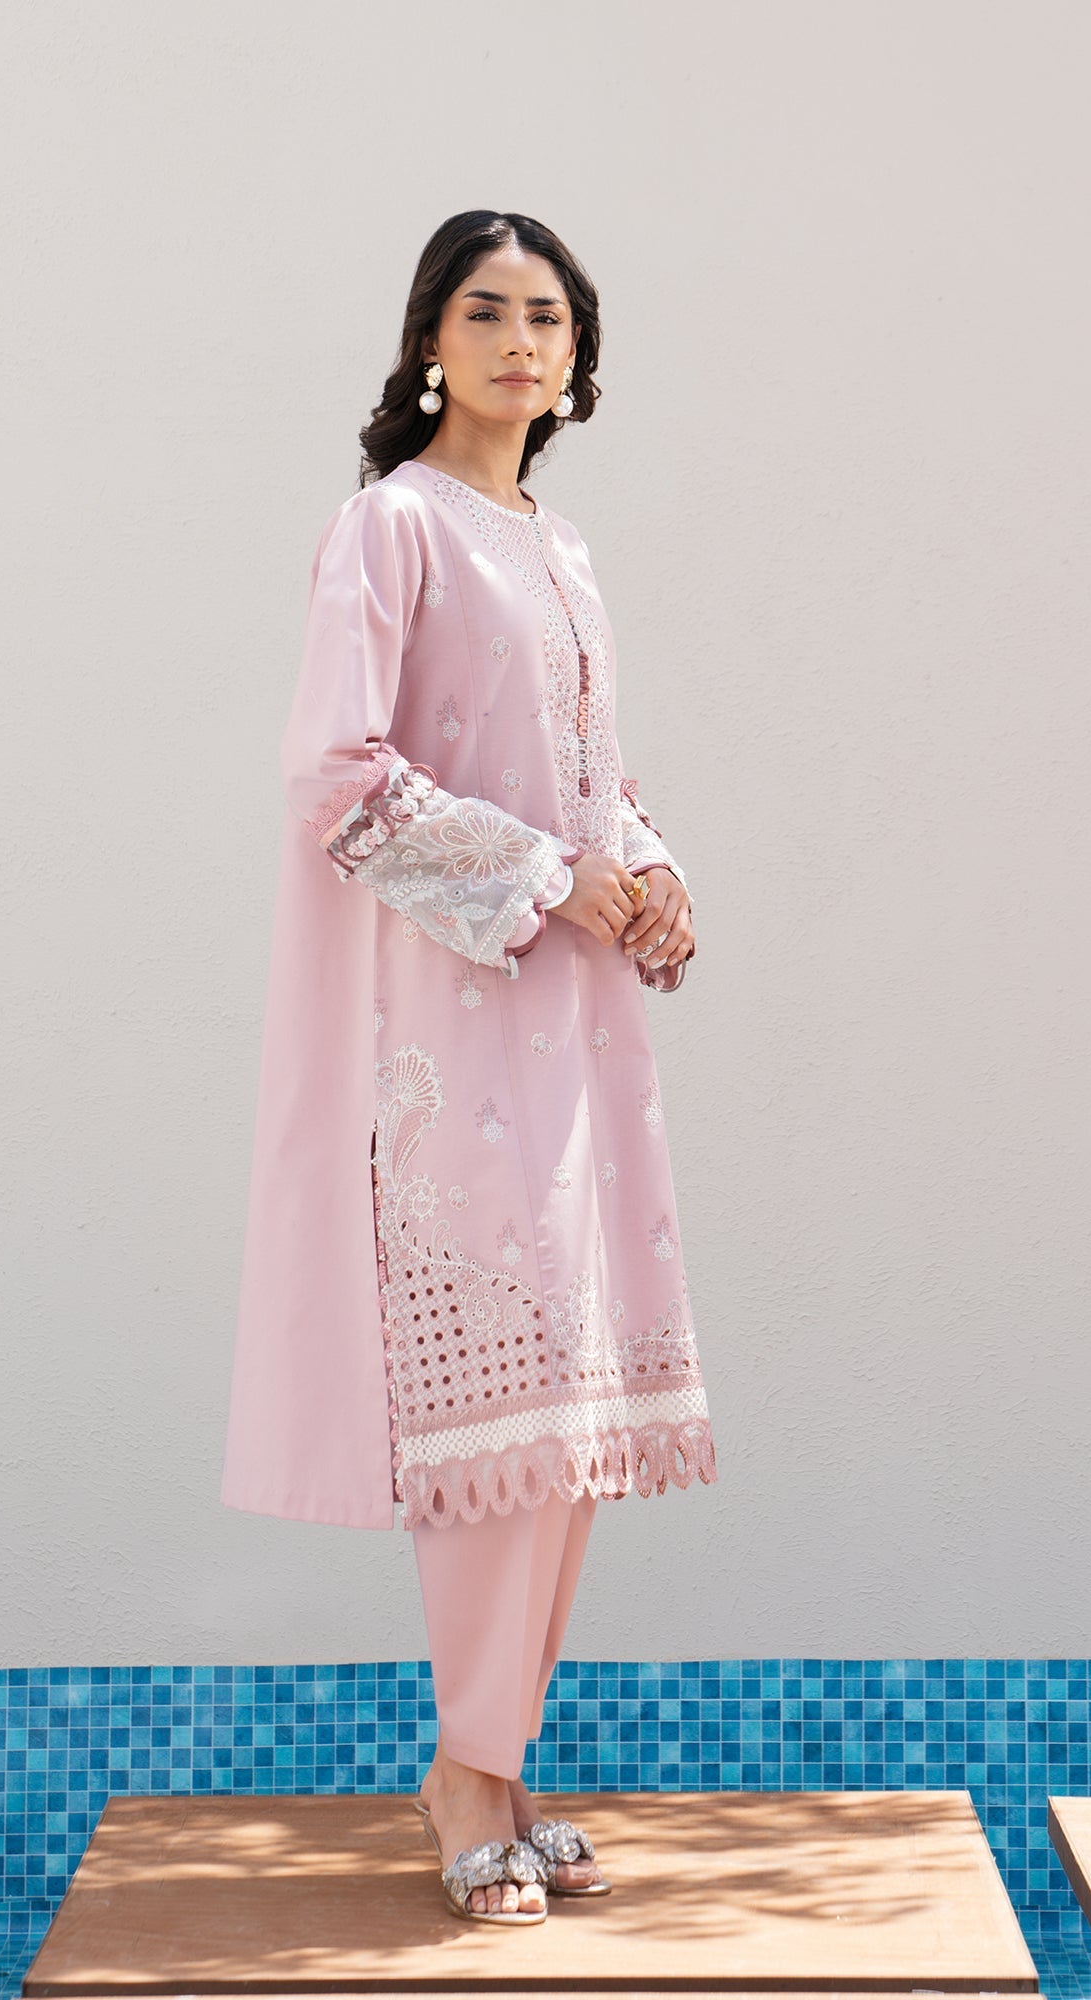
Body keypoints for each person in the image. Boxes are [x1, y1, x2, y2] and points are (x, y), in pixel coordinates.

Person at [220, 209, 718, 1925]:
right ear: (431, 339)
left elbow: (591, 772)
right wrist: (549, 875)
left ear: (579, 357)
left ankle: (499, 1766)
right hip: (448, 1026)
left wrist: (645, 870)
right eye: (488, 311)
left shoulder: (555, 544)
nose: (521, 341)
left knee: (567, 1411)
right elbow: (338, 777)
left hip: (576, 1027)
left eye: (549, 318)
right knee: (489, 1408)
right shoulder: (391, 527)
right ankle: (463, 1770)